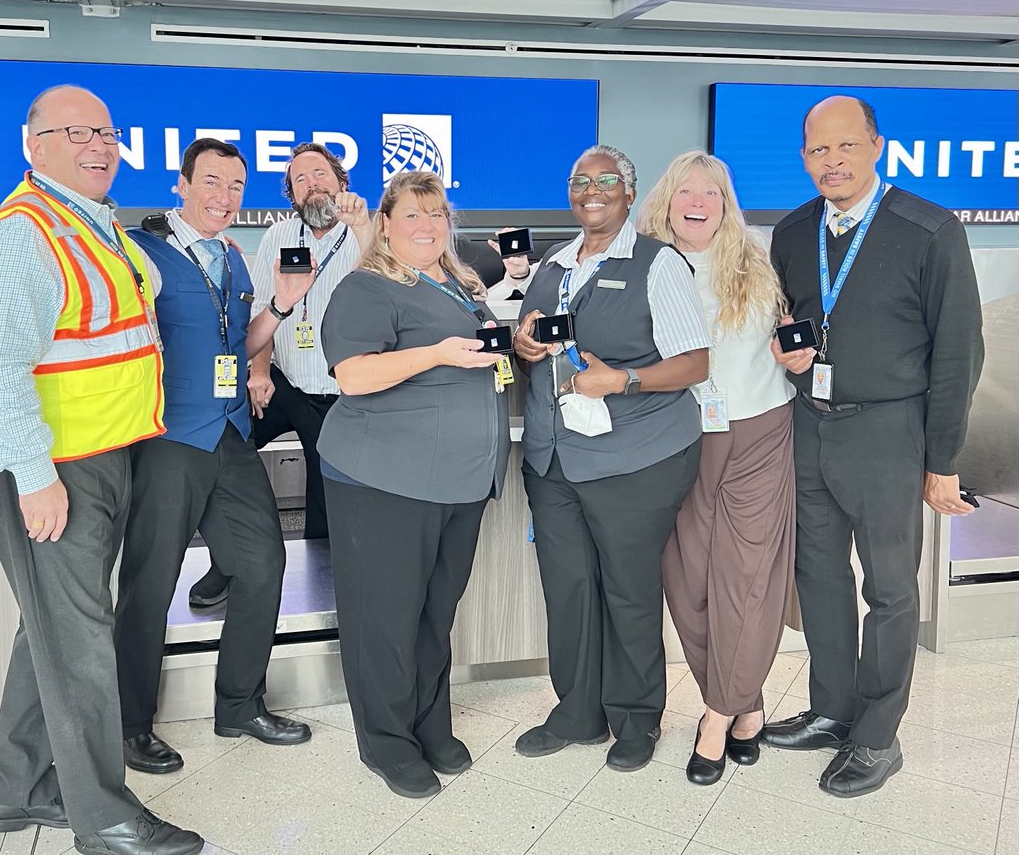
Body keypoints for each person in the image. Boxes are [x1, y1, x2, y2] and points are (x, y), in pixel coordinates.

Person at [0, 85, 203, 855]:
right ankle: (105, 819)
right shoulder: (21, 235)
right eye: (77, 132)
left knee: (55, 629)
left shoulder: (93, 225)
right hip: (50, 465)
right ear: (33, 144)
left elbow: (141, 302)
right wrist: (34, 475)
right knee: (80, 639)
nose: (99, 145)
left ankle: (18, 792)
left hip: (102, 452)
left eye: (106, 131)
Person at [762, 95, 984, 798]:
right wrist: (788, 353)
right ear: (804, 158)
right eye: (818, 150)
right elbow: (795, 321)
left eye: (846, 147)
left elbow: (959, 352)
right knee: (820, 575)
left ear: (876, 147)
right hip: (810, 423)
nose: (832, 161)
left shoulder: (929, 229)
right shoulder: (793, 232)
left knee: (889, 589)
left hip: (890, 431)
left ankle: (877, 737)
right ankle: (833, 709)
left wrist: (942, 460)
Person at [113, 138, 316, 777]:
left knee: (262, 562)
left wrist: (282, 303)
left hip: (227, 433)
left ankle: (239, 705)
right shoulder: (139, 252)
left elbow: (241, 340)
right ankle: (126, 726)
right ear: (181, 184)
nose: (224, 198)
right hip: (167, 438)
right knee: (149, 585)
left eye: (235, 186)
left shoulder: (232, 256)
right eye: (211, 183)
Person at [513, 145, 711, 773]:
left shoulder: (658, 264)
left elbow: (694, 363)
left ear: (629, 193)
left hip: (636, 457)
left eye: (606, 182)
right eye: (580, 181)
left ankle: (636, 715)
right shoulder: (552, 265)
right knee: (567, 588)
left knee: (627, 589)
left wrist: (621, 381)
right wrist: (525, 344)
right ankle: (577, 710)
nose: (591, 191)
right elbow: (532, 343)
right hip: (554, 459)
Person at [318, 171, 510, 799]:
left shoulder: (458, 283)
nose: (426, 226)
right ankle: (386, 742)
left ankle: (430, 724)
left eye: (436, 215)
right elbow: (353, 376)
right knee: (385, 619)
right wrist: (438, 354)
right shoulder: (367, 287)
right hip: (384, 480)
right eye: (411, 216)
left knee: (433, 614)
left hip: (457, 481)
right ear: (386, 224)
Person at [637, 150, 797, 785]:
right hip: (679, 435)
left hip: (760, 427)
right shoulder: (644, 260)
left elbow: (796, 333)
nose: (697, 201)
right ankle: (746, 702)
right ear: (666, 201)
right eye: (685, 191)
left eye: (710, 191)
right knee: (688, 580)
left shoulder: (760, 256)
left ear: (726, 202)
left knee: (748, 578)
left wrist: (798, 350)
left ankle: (714, 714)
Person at [188, 142, 371, 608]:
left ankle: (326, 593)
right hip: (286, 381)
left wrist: (366, 225)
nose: (312, 184)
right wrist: (261, 370)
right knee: (225, 452)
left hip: (341, 394)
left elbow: (387, 282)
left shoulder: (366, 231)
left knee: (327, 498)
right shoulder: (279, 235)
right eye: (300, 179)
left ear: (340, 182)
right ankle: (231, 558)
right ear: (290, 192)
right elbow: (265, 312)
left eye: (320, 174)